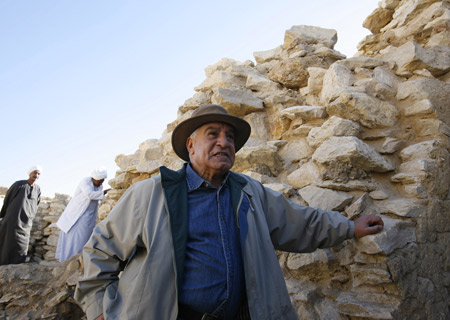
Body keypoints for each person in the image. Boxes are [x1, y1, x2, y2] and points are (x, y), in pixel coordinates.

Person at [74, 104, 384, 320]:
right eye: (213, 134)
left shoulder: (249, 192)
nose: (224, 142)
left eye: (230, 137)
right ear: (191, 145)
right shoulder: (151, 194)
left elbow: (300, 223)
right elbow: (101, 249)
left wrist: (349, 227)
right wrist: (97, 308)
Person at [55, 167, 109, 262]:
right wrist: (104, 192)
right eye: (100, 180)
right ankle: (69, 259)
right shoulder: (86, 181)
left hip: (89, 215)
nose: (101, 183)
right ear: (94, 178)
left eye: (102, 181)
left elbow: (99, 197)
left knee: (84, 237)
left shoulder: (99, 186)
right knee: (74, 237)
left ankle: (80, 258)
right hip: (77, 213)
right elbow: (89, 194)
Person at [0, 165, 43, 265]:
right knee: (7, 243)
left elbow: (36, 204)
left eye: (38, 174)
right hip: (13, 220)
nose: (36, 175)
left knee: (21, 246)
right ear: (30, 173)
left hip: (26, 223)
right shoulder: (19, 184)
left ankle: (17, 266)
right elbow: (8, 199)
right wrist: (4, 215)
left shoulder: (37, 189)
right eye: (34, 172)